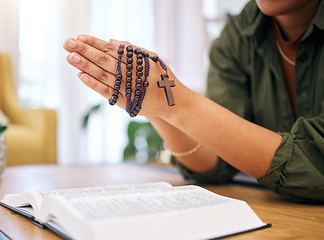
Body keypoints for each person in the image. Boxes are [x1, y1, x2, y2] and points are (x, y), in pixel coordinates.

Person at [63, 0, 324, 203]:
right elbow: (218, 164)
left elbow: (316, 161)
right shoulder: (237, 36)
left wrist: (179, 102)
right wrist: (154, 107)